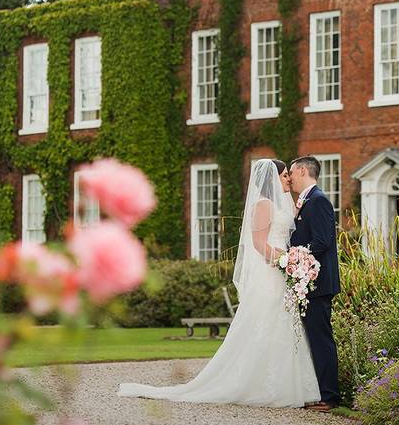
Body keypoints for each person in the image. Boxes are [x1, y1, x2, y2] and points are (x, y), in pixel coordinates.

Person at [117, 159, 320, 407]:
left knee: (284, 325)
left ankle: (287, 385)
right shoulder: (265, 204)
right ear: (273, 178)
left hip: (281, 273)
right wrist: (286, 260)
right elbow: (258, 244)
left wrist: (293, 262)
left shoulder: (286, 203)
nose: (289, 178)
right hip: (270, 273)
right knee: (267, 323)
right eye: (285, 174)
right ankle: (264, 386)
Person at [288, 155, 341, 411]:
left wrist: (293, 255)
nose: (289, 177)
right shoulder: (307, 201)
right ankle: (319, 391)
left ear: (301, 171)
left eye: (291, 172)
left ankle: (330, 396)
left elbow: (322, 242)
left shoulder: (318, 201)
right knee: (314, 339)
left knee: (321, 339)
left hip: (318, 284)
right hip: (308, 282)